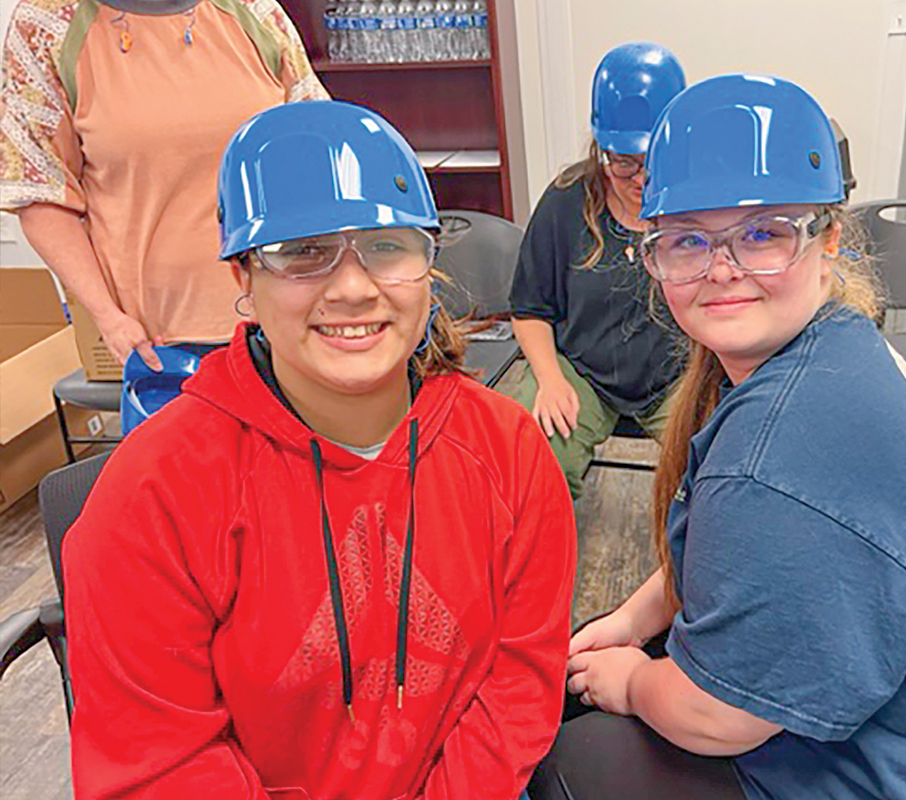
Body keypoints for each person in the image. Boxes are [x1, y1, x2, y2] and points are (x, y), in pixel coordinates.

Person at [530, 75, 906, 800]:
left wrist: (637, 681)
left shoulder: (781, 459)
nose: (722, 269)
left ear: (828, 240)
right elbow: (722, 555)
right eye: (686, 241)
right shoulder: (834, 346)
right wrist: (628, 621)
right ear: (653, 255)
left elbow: (716, 718)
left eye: (763, 234)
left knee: (570, 766)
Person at [62, 100, 576, 800]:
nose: (353, 287)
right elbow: (158, 761)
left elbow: (520, 680)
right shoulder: (154, 494)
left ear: (429, 263)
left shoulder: (510, 452)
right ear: (244, 276)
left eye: (386, 246)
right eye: (302, 252)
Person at [0, 0, 328, 370]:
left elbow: (317, 150)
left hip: (288, 321)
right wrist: (108, 317)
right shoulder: (48, 26)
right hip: (162, 344)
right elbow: (41, 193)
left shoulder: (255, 11)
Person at [508, 42, 686, 498]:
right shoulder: (566, 199)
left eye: (652, 162)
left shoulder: (697, 202)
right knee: (531, 458)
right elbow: (529, 308)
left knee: (718, 466)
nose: (640, 179)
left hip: (676, 377)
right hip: (581, 370)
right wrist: (548, 379)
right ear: (600, 149)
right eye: (623, 162)